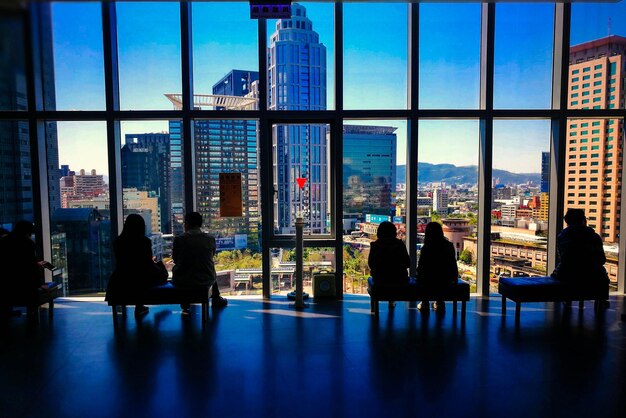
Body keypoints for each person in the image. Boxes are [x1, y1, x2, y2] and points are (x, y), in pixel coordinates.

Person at [105, 214, 167, 317]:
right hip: (141, 279)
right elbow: (146, 265)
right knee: (161, 271)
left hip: (121, 279)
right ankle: (140, 306)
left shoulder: (118, 242)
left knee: (137, 277)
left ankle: (137, 306)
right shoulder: (144, 242)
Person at [171, 212, 227, 315]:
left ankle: (185, 305)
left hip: (183, 280)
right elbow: (211, 255)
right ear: (200, 224)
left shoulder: (179, 240)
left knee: (185, 271)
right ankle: (216, 297)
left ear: (186, 224)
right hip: (206, 279)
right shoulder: (210, 239)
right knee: (208, 266)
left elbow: (175, 259)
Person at [551, 208, 609, 305]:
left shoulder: (562, 236)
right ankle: (601, 303)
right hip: (592, 275)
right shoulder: (594, 236)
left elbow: (563, 259)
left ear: (567, 221)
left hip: (566, 274)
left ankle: (567, 300)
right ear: (583, 220)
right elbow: (601, 260)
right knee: (602, 276)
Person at [0, 221, 51, 318]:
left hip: (5, 283)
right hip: (25, 285)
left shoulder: (3, 241)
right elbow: (30, 267)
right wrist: (40, 285)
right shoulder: (28, 243)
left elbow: (13, 264)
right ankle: (32, 316)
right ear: (28, 232)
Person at [416, 222, 458, 312]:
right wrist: (454, 277)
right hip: (445, 280)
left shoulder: (426, 248)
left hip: (428, 281)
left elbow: (421, 267)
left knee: (426, 278)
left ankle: (424, 302)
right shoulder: (449, 246)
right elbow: (452, 264)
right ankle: (439, 302)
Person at [368, 221, 410, 287]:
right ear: (394, 233)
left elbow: (371, 264)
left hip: (380, 280)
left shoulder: (375, 245)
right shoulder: (399, 244)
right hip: (400, 280)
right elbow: (408, 263)